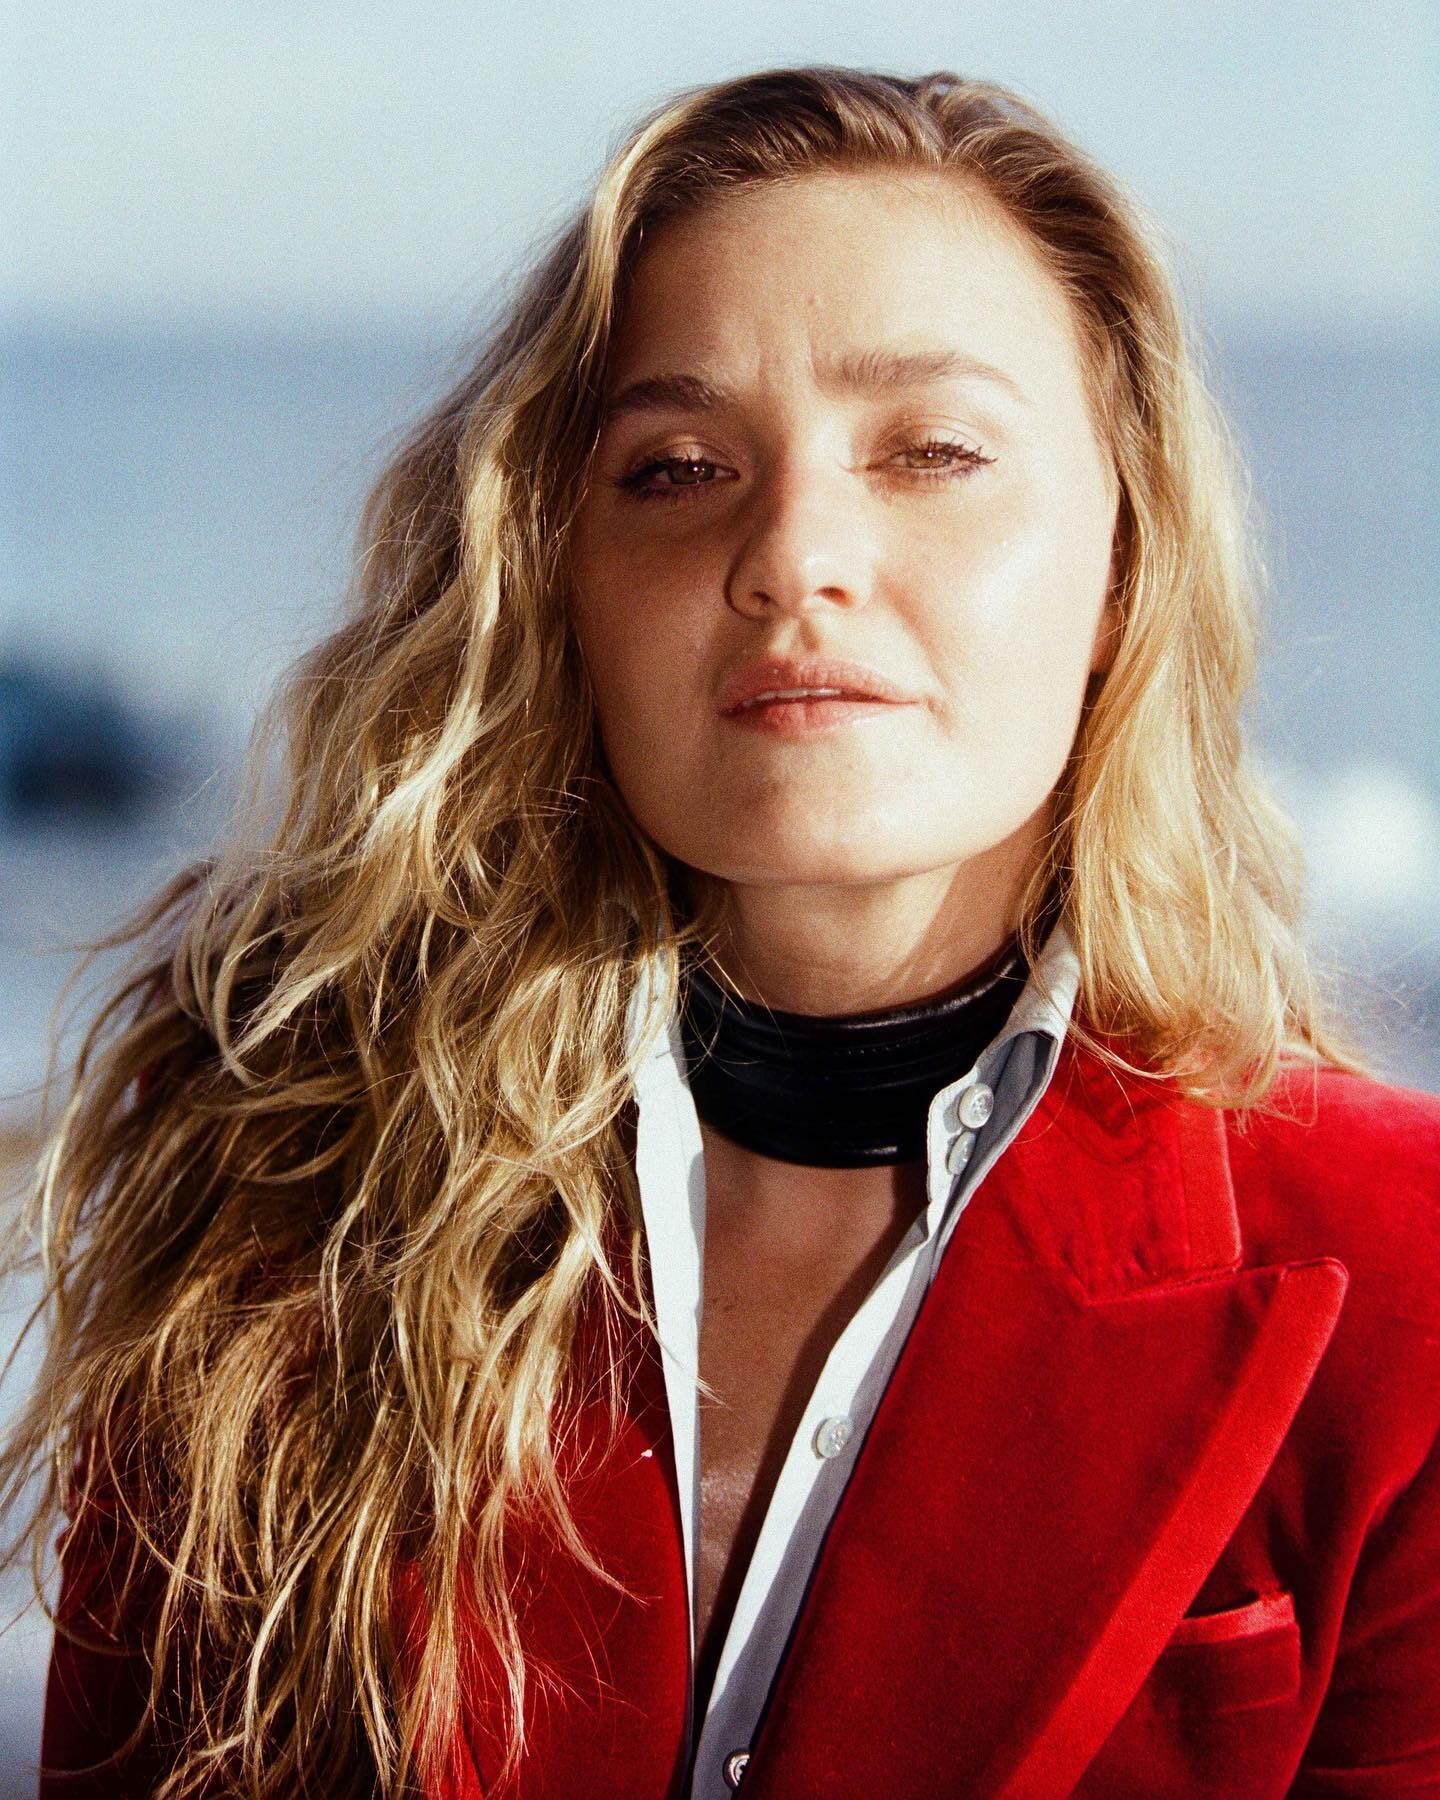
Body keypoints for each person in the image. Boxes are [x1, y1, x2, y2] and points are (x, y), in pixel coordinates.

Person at [5, 65, 1438, 1800]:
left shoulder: (1404, 1280)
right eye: (677, 468)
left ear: (1122, 567)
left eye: (933, 451)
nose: (793, 555)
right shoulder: (279, 1206)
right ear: (560, 586)